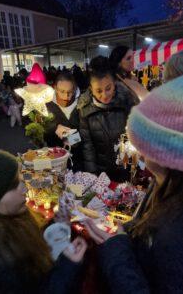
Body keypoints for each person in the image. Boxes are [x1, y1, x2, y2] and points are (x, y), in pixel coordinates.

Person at [84, 75, 183, 293]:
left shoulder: (174, 232)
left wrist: (116, 251)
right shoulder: (163, 184)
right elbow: (144, 225)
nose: (139, 149)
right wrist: (125, 233)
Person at [0, 148, 87, 293]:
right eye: (13, 186)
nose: (25, 188)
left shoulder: (7, 219)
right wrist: (69, 266)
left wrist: (58, 223)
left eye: (21, 180)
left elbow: (30, 245)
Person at [77, 56, 137, 182]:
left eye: (108, 88)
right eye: (98, 91)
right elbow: (88, 146)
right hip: (100, 173)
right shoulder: (85, 109)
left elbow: (134, 136)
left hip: (125, 168)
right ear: (90, 89)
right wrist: (92, 176)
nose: (104, 95)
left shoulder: (126, 102)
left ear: (114, 83)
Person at [44, 72, 83, 171]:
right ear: (55, 88)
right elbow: (35, 129)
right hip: (53, 160)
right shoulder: (45, 103)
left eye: (70, 91)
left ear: (75, 88)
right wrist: (55, 127)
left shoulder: (83, 103)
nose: (66, 96)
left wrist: (73, 139)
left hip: (78, 161)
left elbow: (88, 131)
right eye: (62, 91)